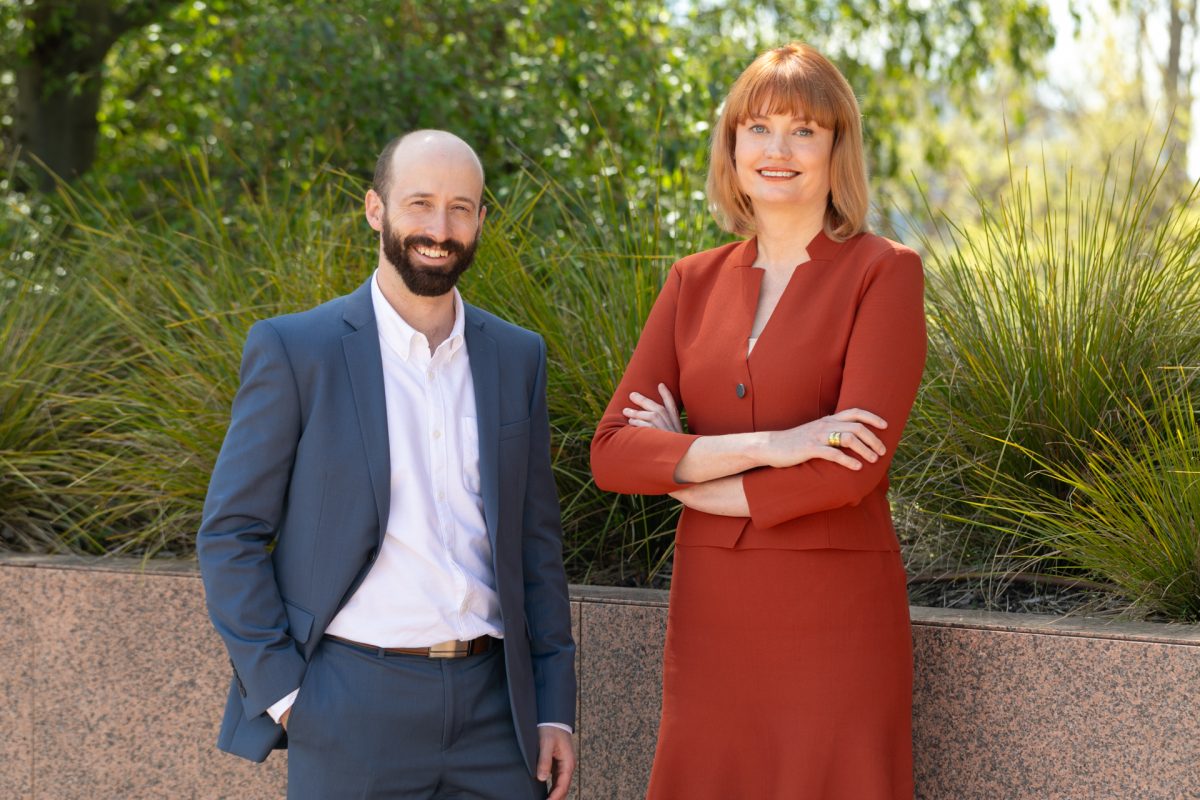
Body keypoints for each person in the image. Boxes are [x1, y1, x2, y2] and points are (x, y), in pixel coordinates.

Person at [197, 130, 576, 800]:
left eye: (461, 208)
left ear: (482, 220)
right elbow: (230, 535)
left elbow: (536, 544)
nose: (439, 227)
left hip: (496, 711)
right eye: (420, 203)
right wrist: (287, 695)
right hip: (351, 704)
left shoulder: (517, 358)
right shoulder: (297, 350)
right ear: (376, 209)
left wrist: (551, 707)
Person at [590, 43, 925, 799]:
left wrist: (689, 474)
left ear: (837, 149)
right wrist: (773, 446)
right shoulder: (693, 280)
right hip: (712, 619)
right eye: (758, 129)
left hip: (833, 624)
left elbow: (856, 463)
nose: (778, 150)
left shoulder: (884, 271)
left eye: (804, 131)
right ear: (732, 147)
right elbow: (613, 451)